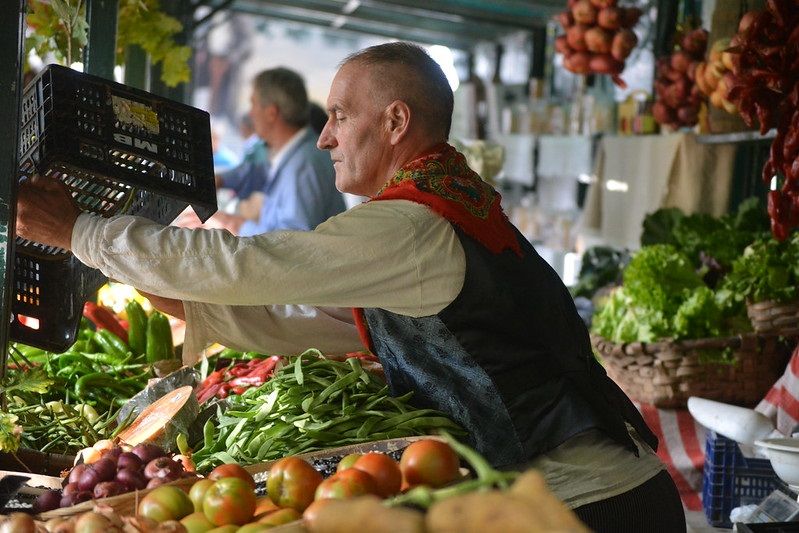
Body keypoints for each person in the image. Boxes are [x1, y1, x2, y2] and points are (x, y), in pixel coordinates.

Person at [16, 43, 684, 532]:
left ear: (395, 123)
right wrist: (190, 303)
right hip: (592, 495)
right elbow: (324, 324)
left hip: (595, 505)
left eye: (339, 115)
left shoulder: (411, 224)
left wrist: (83, 229)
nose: (325, 136)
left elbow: (248, 263)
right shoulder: (437, 210)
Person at [194, 68, 346, 235]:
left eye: (253, 104)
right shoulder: (294, 153)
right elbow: (258, 173)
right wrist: (219, 180)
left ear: (271, 113)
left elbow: (291, 242)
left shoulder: (303, 165)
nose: (250, 113)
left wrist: (233, 223)